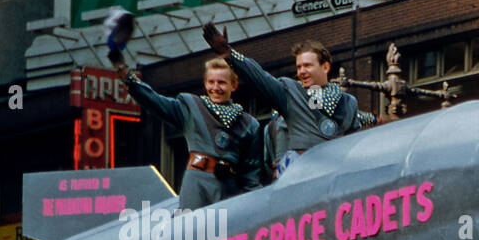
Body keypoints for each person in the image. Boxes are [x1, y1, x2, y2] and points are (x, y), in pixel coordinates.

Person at [202, 24, 376, 177]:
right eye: (299, 66)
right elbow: (260, 78)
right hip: (301, 178)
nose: (301, 71)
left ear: (326, 66)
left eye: (307, 65)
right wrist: (230, 55)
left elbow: (357, 144)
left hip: (335, 178)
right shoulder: (291, 93)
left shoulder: (347, 102)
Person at [112, 55, 261, 209]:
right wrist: (130, 80)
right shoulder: (191, 107)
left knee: (223, 232)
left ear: (234, 85)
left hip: (228, 189)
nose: (215, 88)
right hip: (196, 185)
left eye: (222, 82)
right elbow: (155, 101)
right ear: (205, 83)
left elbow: (251, 174)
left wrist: (254, 205)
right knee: (189, 230)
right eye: (211, 82)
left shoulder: (249, 124)